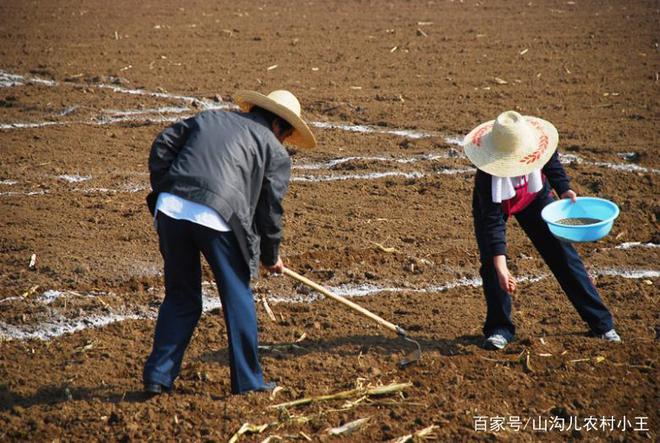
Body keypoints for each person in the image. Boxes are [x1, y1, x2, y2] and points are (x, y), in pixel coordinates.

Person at [142, 90, 316, 394]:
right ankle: (248, 383)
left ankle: (158, 376)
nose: (285, 141)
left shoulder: (211, 117)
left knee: (181, 298)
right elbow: (270, 210)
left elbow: (163, 144)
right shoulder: (274, 151)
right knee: (238, 298)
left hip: (170, 208)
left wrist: (168, 187)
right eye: (287, 134)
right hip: (218, 216)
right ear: (279, 125)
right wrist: (270, 255)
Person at [464, 110, 620, 350]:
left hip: (534, 197)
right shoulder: (488, 177)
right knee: (492, 268)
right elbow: (492, 225)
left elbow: (551, 162)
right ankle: (499, 329)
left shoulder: (538, 145)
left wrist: (564, 188)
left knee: (563, 254)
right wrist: (501, 267)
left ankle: (602, 324)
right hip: (497, 206)